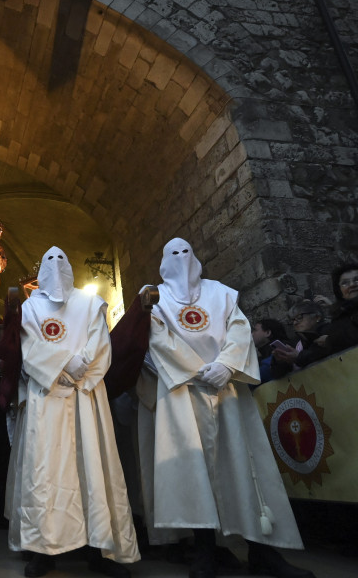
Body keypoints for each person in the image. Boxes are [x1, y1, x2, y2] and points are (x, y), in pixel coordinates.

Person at [137, 238, 314, 578]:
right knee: (194, 470)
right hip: (183, 395)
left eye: (185, 251)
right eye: (173, 253)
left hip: (227, 391)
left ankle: (263, 551)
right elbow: (157, 340)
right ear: (162, 262)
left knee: (244, 467)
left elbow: (239, 332)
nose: (181, 258)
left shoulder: (222, 294)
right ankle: (205, 549)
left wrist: (228, 366)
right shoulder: (155, 299)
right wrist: (197, 370)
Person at [5, 246, 139, 578]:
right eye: (48, 260)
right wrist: (64, 364)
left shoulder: (91, 303)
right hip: (46, 397)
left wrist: (83, 367)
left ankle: (100, 549)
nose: (55, 264)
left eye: (61, 259)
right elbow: (28, 346)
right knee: (45, 473)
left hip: (84, 397)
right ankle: (43, 550)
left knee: (92, 469)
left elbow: (100, 340)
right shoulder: (30, 307)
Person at [271, 300, 328, 377]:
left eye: (299, 317)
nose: (295, 323)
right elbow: (277, 375)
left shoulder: (329, 332)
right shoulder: (295, 343)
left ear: (317, 317)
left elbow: (319, 355)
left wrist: (298, 357)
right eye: (293, 320)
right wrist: (280, 361)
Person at [317, 262, 358, 356]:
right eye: (345, 283)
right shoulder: (339, 316)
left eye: (357, 280)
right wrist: (298, 357)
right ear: (340, 291)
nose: (352, 285)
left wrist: (329, 340)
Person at [250, 318, 289, 384]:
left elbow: (256, 378)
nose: (251, 334)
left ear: (267, 333)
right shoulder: (264, 355)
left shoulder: (281, 349)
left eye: (255, 330)